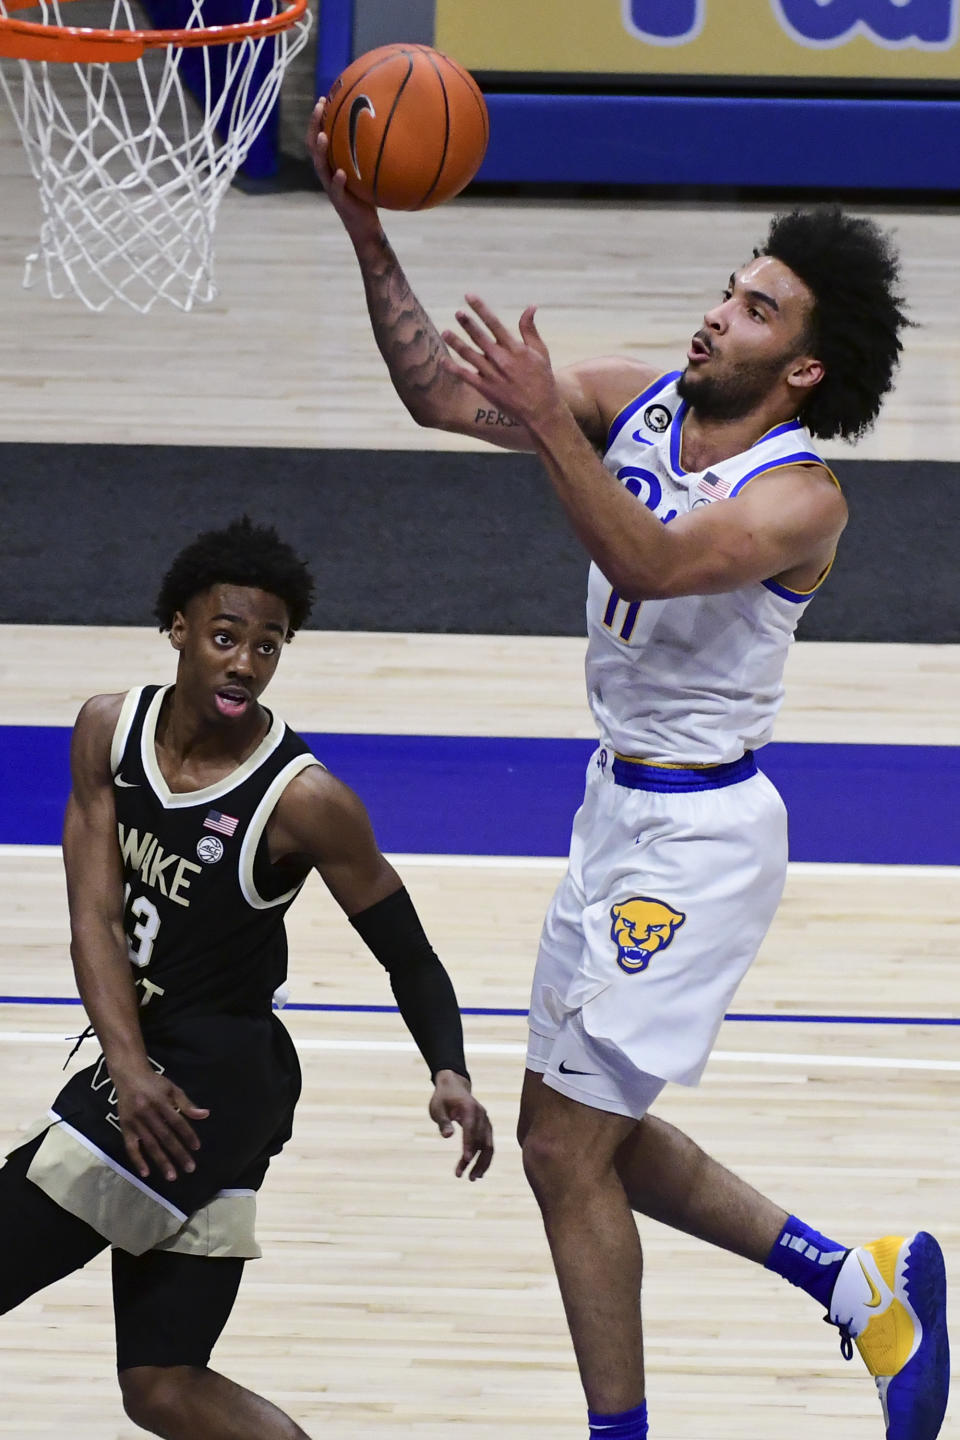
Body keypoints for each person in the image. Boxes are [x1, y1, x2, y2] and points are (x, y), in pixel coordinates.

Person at [308, 104, 949, 1440]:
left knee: (559, 1148)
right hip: (613, 811)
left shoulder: (802, 498)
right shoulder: (635, 398)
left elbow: (650, 564)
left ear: (805, 372)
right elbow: (436, 391)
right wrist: (368, 232)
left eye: (758, 311)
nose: (720, 316)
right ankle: (858, 1283)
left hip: (700, 843)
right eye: (728, 291)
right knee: (583, 1133)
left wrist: (553, 427)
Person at [0, 516, 494, 1440]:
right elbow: (94, 919)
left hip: (214, 1080)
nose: (244, 663)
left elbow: (409, 952)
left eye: (267, 647)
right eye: (225, 637)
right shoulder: (108, 731)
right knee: (163, 1384)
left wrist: (450, 1069)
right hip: (148, 1063)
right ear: (177, 628)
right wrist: (127, 1062)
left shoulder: (304, 801)